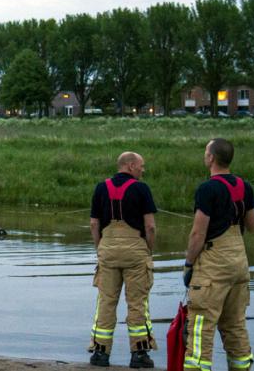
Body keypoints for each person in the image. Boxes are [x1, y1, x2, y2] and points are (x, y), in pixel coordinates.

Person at [183, 139, 254, 371]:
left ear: (211, 158)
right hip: (239, 261)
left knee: (201, 326)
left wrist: (189, 264)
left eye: (206, 152)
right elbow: (253, 225)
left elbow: (198, 233)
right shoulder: (244, 186)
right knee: (235, 324)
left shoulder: (208, 189)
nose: (205, 156)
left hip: (213, 264)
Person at [88, 152, 158, 368]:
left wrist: (100, 247)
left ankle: (100, 354)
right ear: (130, 165)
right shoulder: (141, 189)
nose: (143, 170)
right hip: (135, 251)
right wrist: (148, 250)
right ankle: (139, 355)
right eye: (141, 166)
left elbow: (93, 224)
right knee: (137, 303)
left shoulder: (101, 187)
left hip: (107, 250)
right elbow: (150, 226)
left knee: (106, 302)